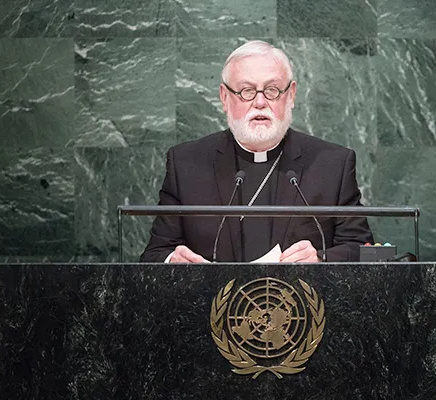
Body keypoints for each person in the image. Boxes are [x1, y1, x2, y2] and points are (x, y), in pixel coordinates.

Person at [140, 40, 374, 263]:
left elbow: (363, 249)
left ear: (291, 95)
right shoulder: (186, 164)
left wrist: (321, 258)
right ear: (224, 97)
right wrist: (173, 261)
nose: (260, 102)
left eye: (272, 90)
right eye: (246, 91)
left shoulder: (332, 164)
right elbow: (155, 254)